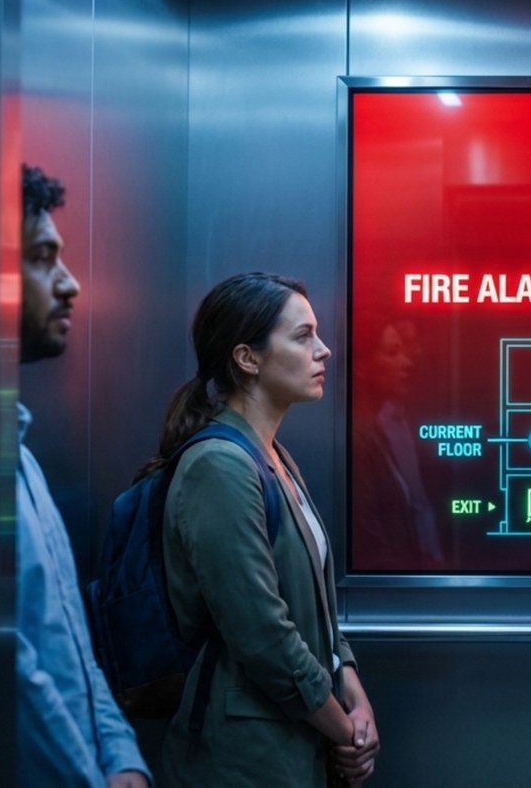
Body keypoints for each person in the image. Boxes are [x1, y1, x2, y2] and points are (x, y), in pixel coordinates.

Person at [154, 273, 379, 786]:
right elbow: (262, 634)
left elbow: (315, 610)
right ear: (247, 358)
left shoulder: (275, 458)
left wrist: (354, 692)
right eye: (303, 336)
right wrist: (344, 730)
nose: (323, 350)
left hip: (294, 743)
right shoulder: (220, 465)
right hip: (242, 757)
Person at [16, 164, 152, 787]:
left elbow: (73, 645)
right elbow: (14, 674)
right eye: (44, 258)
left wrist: (123, 759)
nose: (70, 284)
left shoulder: (24, 464)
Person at [350, 310, 445, 570]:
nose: (407, 363)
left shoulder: (377, 433)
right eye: (393, 353)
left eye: (404, 351)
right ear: (361, 366)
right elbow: (369, 544)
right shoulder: (357, 442)